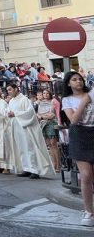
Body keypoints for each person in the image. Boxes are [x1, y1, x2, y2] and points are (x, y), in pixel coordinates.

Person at [61, 71, 94, 226]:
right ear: (68, 83)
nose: (78, 82)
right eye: (74, 79)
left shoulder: (92, 93)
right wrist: (85, 101)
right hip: (80, 136)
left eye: (80, 79)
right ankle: (88, 212)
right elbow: (73, 119)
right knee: (86, 176)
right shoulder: (67, 100)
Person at [5, 82, 54, 179]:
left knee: (29, 148)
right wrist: (8, 113)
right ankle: (26, 168)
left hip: (25, 128)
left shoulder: (24, 99)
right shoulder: (11, 101)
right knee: (21, 149)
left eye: (10, 89)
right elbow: (8, 111)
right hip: (16, 128)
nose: (9, 92)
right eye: (7, 90)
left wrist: (15, 113)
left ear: (16, 89)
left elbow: (30, 113)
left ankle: (35, 170)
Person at [36, 88, 61, 173]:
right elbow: (38, 114)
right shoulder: (40, 103)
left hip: (51, 123)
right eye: (44, 93)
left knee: (54, 144)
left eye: (47, 93)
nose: (45, 95)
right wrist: (42, 116)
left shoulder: (53, 101)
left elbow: (52, 114)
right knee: (49, 145)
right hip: (43, 124)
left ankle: (58, 164)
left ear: (50, 94)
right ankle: (54, 163)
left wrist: (43, 116)